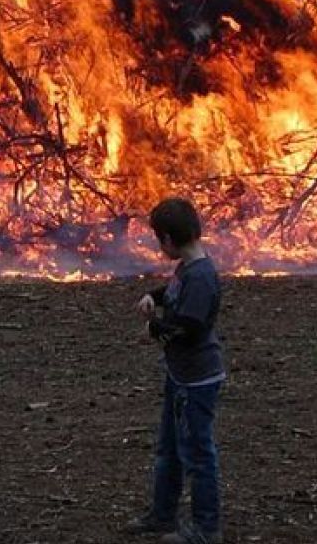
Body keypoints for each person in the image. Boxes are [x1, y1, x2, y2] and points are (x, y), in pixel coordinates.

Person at [125, 197, 227, 544]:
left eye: (158, 239)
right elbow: (173, 294)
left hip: (197, 380)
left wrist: (155, 329)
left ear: (168, 238)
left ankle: (206, 529)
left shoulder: (201, 277)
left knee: (198, 454)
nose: (159, 246)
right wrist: (155, 296)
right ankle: (163, 514)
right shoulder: (188, 267)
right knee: (169, 448)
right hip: (180, 374)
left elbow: (191, 327)